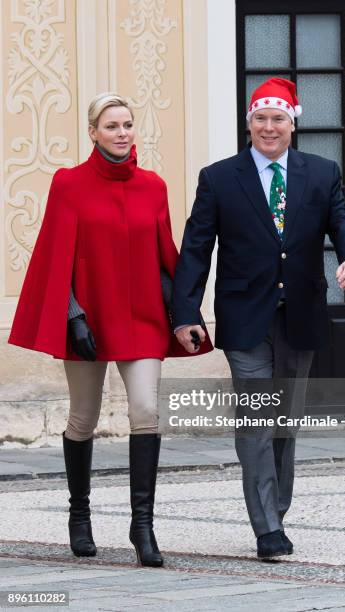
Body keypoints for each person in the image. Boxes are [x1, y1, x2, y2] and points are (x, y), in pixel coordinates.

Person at [8, 92, 212, 567]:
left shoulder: (153, 186)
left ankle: (143, 527)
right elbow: (57, 256)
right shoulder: (69, 184)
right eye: (112, 125)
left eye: (128, 125)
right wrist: (73, 317)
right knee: (83, 417)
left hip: (142, 320)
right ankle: (79, 517)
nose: (122, 133)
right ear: (93, 133)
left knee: (146, 411)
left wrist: (184, 318)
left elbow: (165, 261)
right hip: (88, 322)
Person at [171, 78, 345, 561]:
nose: (269, 127)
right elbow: (197, 247)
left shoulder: (321, 173)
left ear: (292, 124)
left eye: (279, 119)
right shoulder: (219, 177)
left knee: (285, 420)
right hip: (244, 318)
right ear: (249, 123)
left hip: (299, 315)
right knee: (258, 416)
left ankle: (275, 508)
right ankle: (268, 527)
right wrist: (185, 311)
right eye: (260, 118)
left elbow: (343, 221)